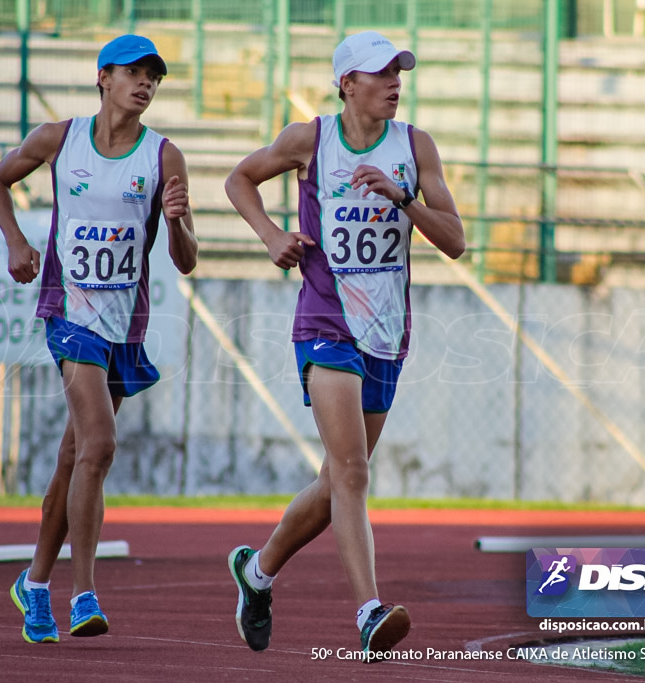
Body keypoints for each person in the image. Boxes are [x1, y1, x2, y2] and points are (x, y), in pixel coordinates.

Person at [223, 30, 465, 656]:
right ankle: (367, 612)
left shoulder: (415, 146)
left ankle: (257, 573)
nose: (395, 82)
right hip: (326, 323)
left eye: (399, 72)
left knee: (336, 482)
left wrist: (402, 197)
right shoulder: (311, 138)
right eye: (381, 72)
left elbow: (457, 240)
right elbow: (240, 179)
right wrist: (272, 234)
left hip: (387, 332)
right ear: (347, 83)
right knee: (354, 471)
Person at [0, 34, 198, 643]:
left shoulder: (164, 157)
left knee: (75, 458)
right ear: (102, 76)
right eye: (133, 72)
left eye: (154, 76)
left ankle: (33, 583)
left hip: (126, 325)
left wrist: (180, 220)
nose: (145, 84)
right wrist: (17, 242)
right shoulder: (60, 138)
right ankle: (83, 594)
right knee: (99, 445)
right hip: (70, 315)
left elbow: (185, 260)